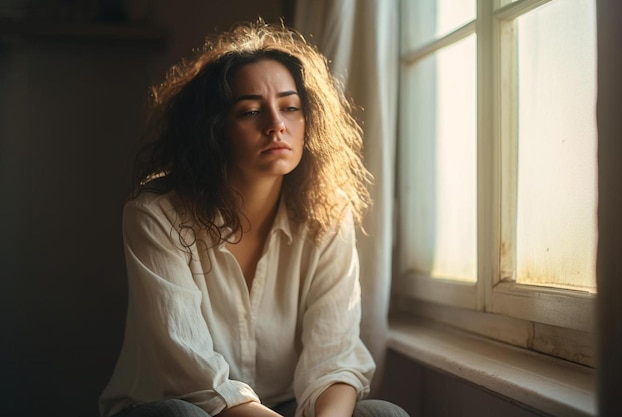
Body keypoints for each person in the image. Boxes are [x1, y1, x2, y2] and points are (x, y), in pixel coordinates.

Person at [99, 19, 409, 417]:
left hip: (283, 405)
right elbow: (192, 377)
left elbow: (335, 358)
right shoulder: (156, 216)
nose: (276, 125)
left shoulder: (328, 214)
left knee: (384, 415)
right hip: (181, 406)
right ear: (214, 129)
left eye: (290, 107)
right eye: (250, 111)